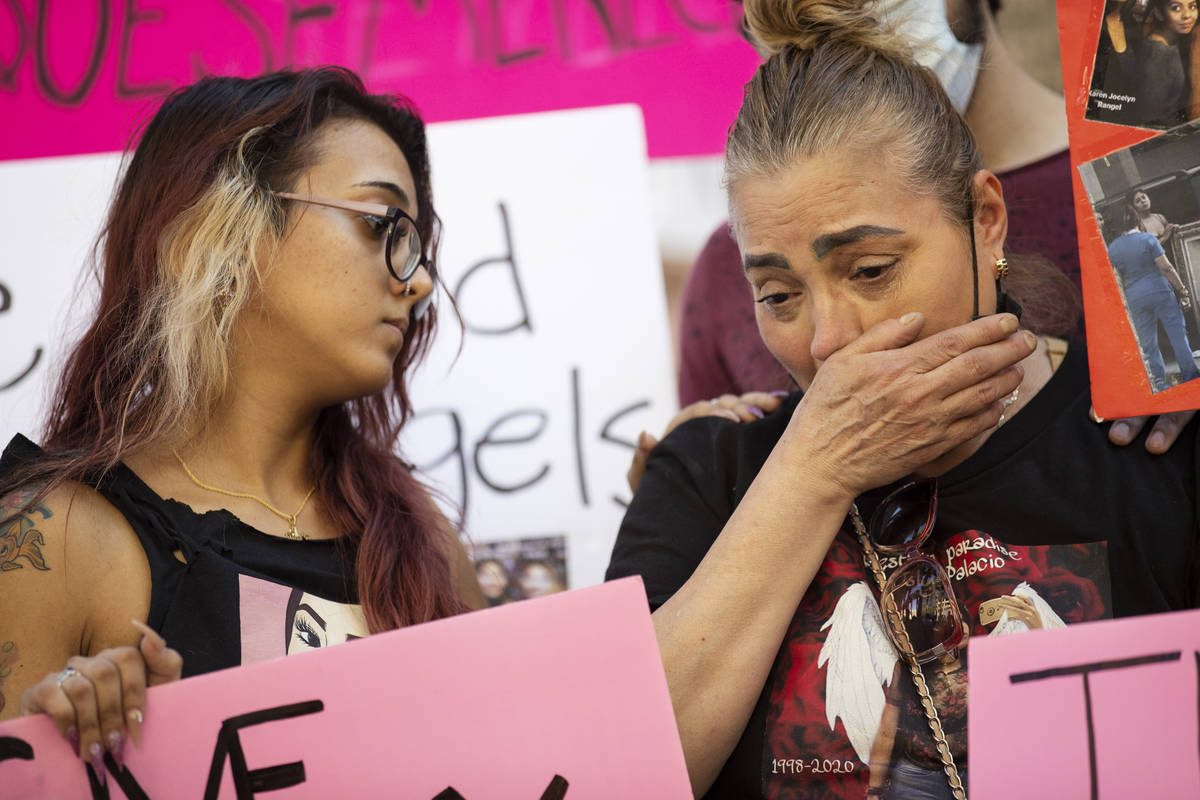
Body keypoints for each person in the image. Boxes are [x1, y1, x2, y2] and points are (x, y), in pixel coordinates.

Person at [606, 2, 1200, 798]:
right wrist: (813, 470)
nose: (828, 340)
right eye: (779, 294)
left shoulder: (1145, 434)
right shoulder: (711, 471)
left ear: (986, 220)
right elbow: (617, 771)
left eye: (872, 269)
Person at [0, 67, 484, 777]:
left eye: (418, 249)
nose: (414, 283)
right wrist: (56, 759)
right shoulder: (57, 537)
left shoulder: (425, 543)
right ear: (220, 223)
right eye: (382, 225)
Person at [1105, 203, 1200, 391]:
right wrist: (1182, 290)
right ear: (1137, 220)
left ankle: (1159, 384)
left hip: (1135, 299)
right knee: (1178, 336)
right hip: (1160, 291)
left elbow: (1115, 279)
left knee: (1148, 344)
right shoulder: (1147, 239)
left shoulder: (1112, 249)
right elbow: (1166, 267)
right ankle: (1191, 377)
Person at [1101, 0, 1198, 129]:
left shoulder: (1175, 41)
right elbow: (1148, 119)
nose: (1187, 15)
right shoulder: (1158, 53)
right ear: (1159, 14)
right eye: (1176, 8)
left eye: (1192, 6)